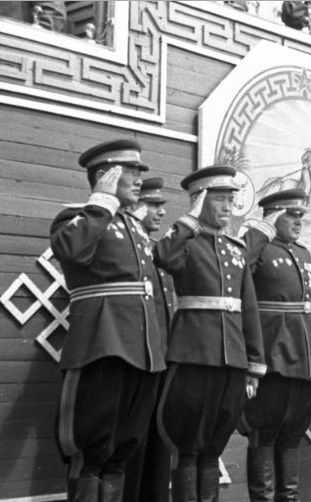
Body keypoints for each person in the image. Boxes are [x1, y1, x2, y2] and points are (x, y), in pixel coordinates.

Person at [50, 139, 165, 502]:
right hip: (102, 347)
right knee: (90, 450)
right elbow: (70, 250)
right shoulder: (78, 218)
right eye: (130, 171)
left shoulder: (134, 226)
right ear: (106, 175)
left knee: (123, 449)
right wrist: (100, 202)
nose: (138, 179)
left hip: (142, 352)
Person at [154, 166, 267, 502]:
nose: (228, 206)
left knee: (214, 446)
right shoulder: (185, 243)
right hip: (193, 355)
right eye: (220, 199)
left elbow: (248, 308)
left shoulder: (235, 249)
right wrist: (189, 220)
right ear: (199, 200)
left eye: (231, 199)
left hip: (232, 361)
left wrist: (254, 363)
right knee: (188, 445)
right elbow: (164, 256)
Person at [241, 188, 311, 501]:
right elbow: (237, 271)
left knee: (293, 435)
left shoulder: (303, 254)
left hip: (305, 358)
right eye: (291, 215)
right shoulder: (259, 248)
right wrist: (260, 231)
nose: (298, 222)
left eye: (300, 216)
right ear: (274, 216)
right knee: (264, 433)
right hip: (273, 355)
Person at [123, 177, 175, 502]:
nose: (161, 212)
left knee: (159, 449)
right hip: (136, 364)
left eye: (161, 205)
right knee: (131, 449)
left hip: (162, 365)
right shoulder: (127, 252)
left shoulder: (158, 253)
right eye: (153, 205)